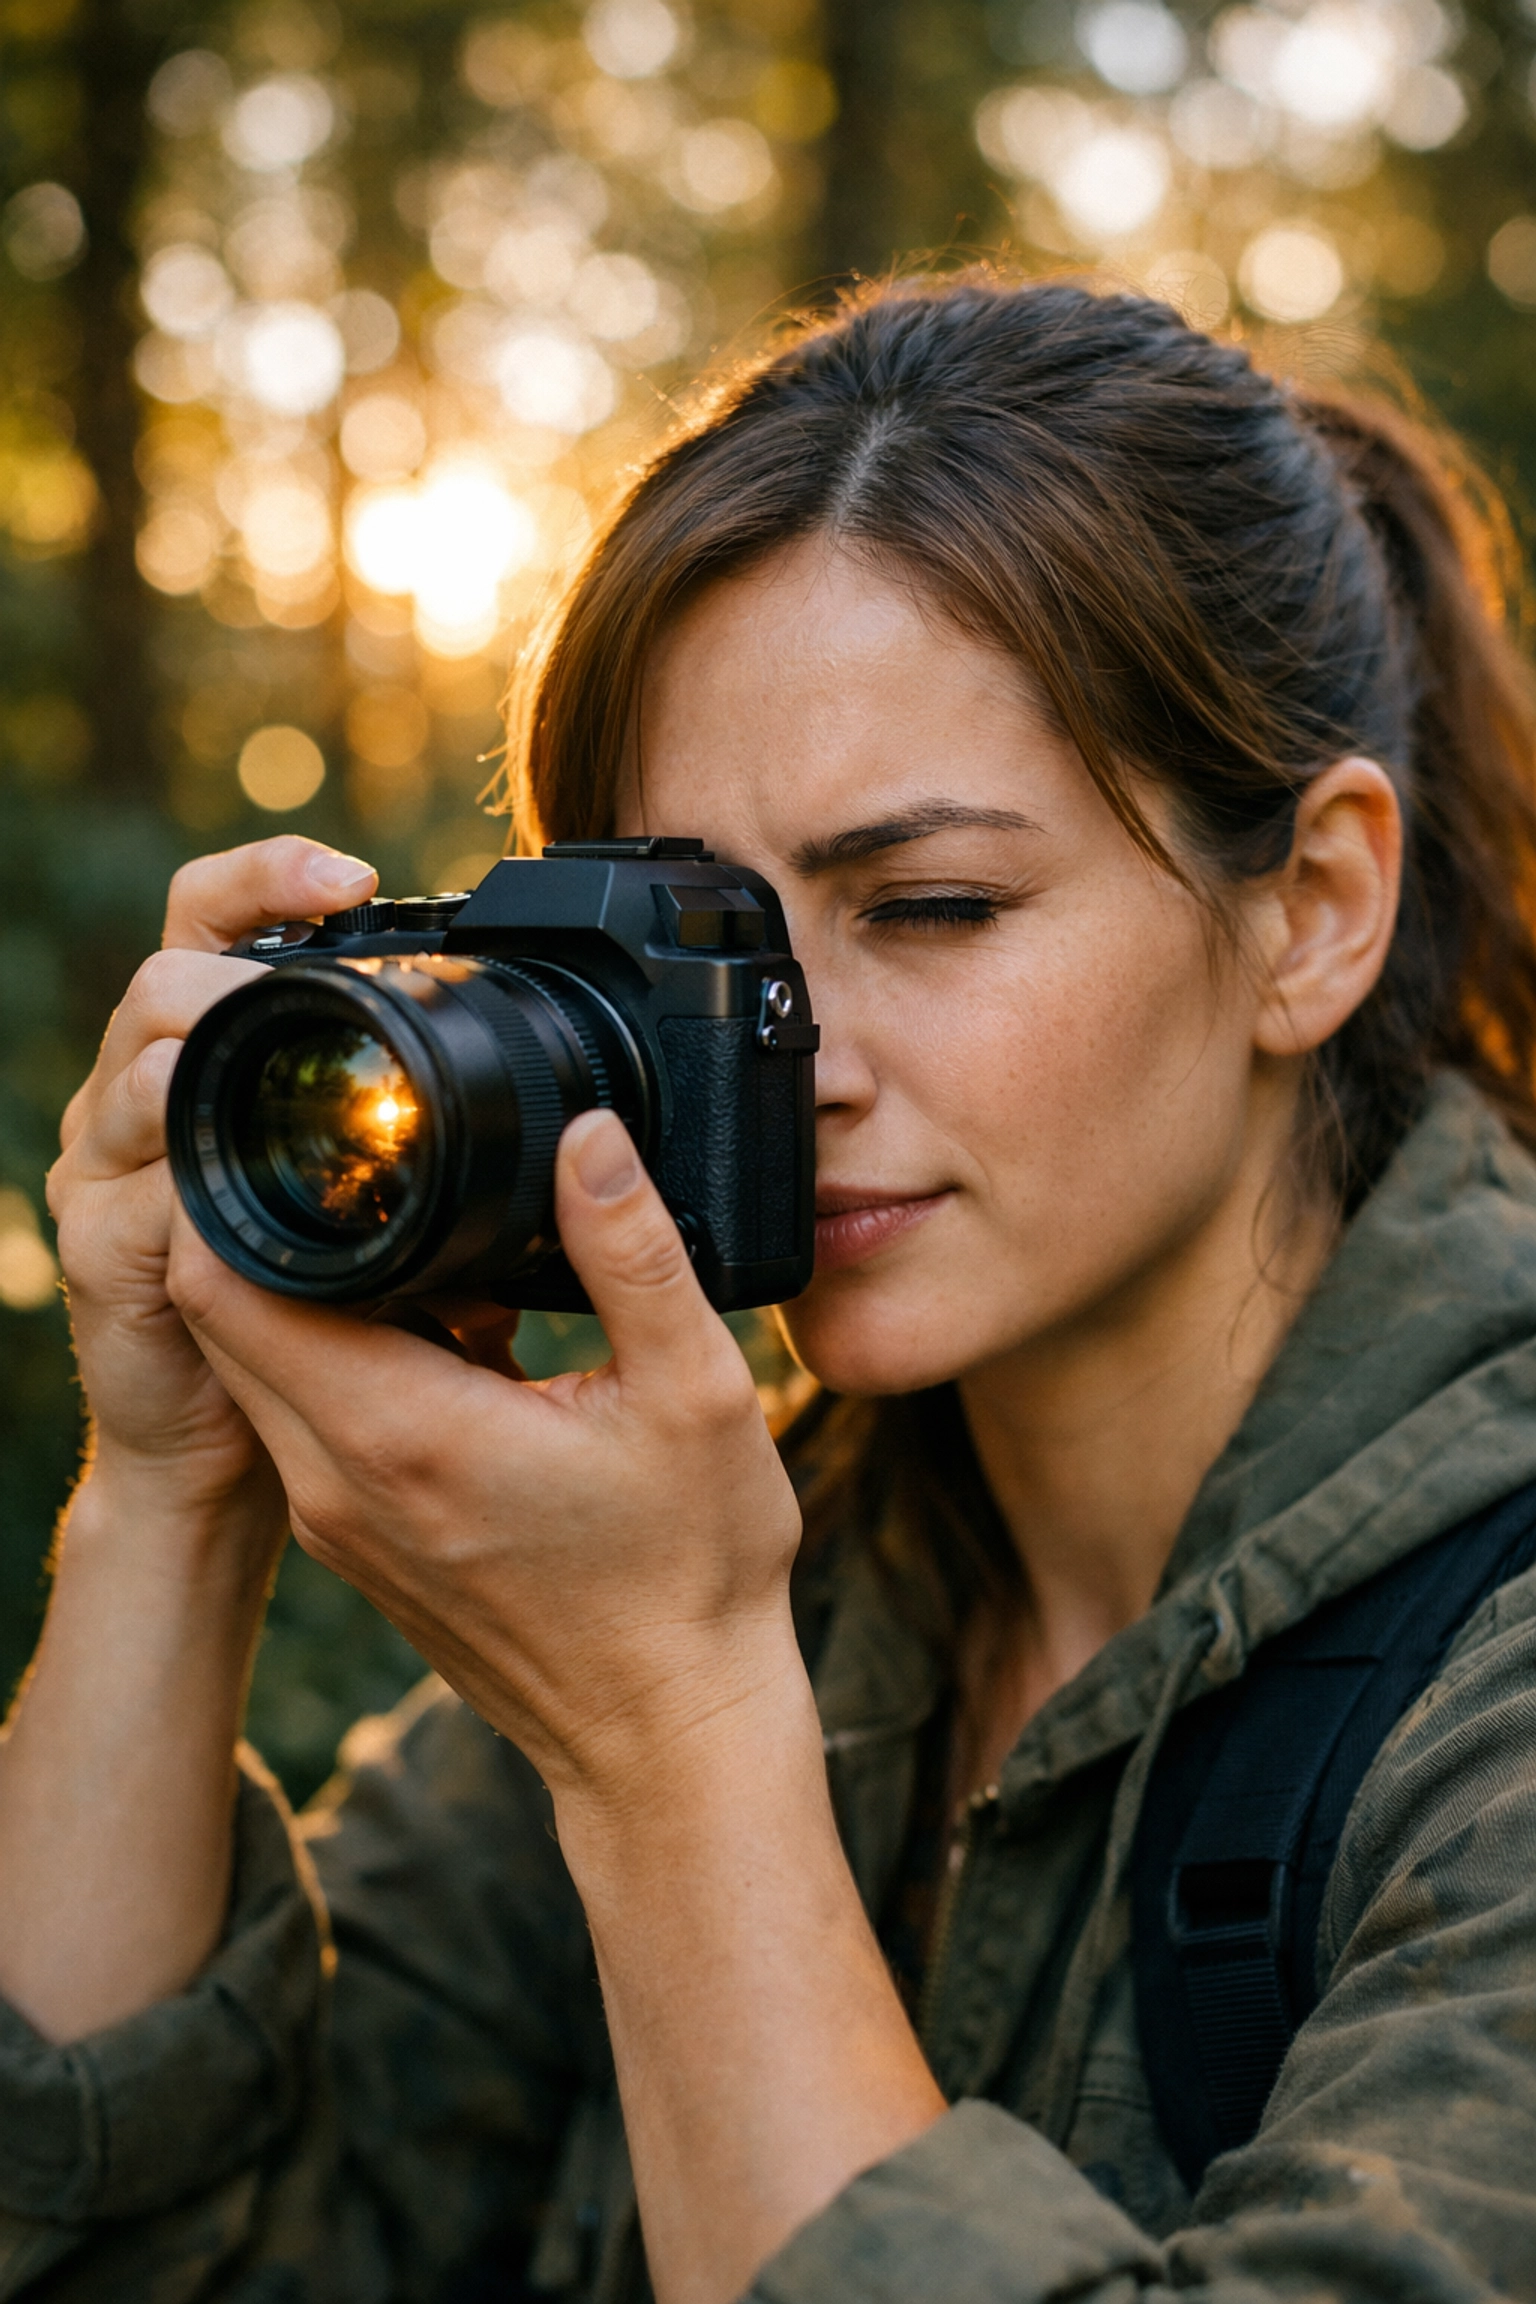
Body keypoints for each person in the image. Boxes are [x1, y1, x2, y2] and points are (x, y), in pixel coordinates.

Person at [2, 272, 1536, 2304]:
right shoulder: (787, 1553)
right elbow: (149, 2264)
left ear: (1314, 911)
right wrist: (173, 1487)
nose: (791, 1062)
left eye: (932, 906)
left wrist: (668, 1736)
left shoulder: (693, 1629)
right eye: (696, 952)